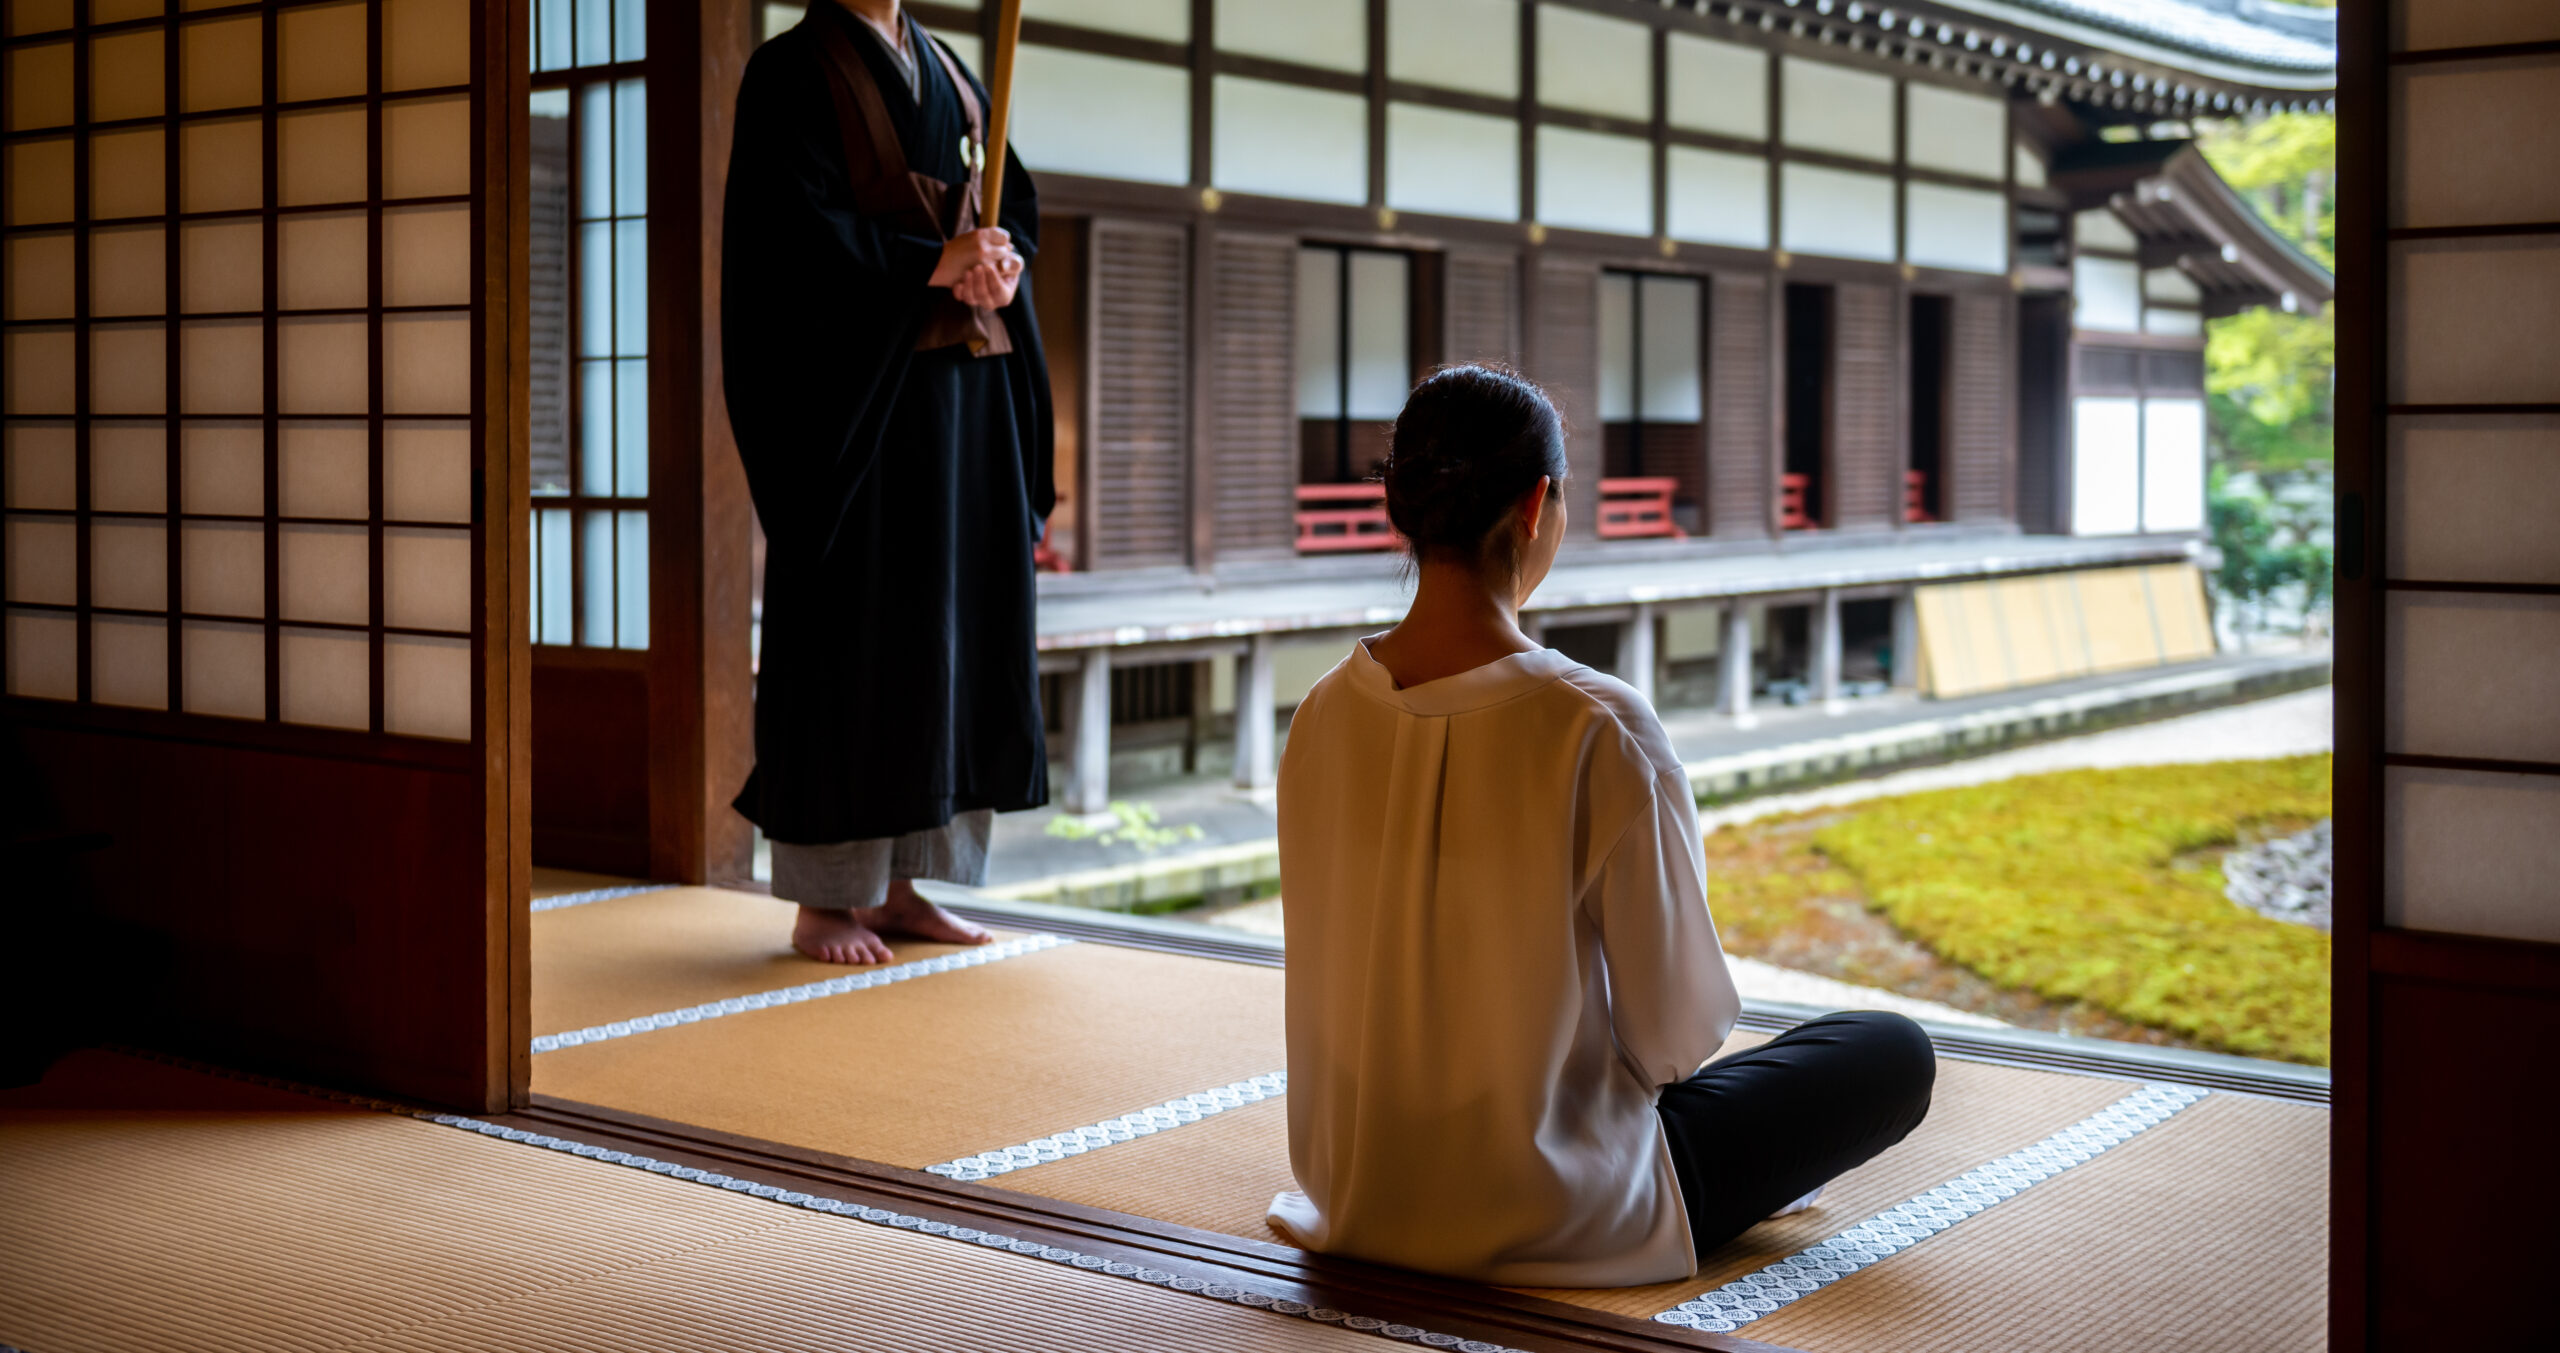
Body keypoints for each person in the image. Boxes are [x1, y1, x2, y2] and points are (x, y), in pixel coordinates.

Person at [1267, 366, 1937, 1287]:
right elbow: (1677, 1032)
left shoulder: (1320, 714)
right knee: (1887, 1050)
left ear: (1402, 508)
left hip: (1357, 1189)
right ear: (1538, 503)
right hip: (1557, 1205)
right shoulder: (1597, 724)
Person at [721, 0, 1051, 965]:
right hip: (858, 409)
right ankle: (826, 900)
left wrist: (995, 264)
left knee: (947, 633)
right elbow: (786, 243)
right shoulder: (790, 73)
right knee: (852, 635)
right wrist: (929, 263)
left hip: (962, 404)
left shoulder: (952, 71)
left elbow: (1007, 203)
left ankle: (907, 885)